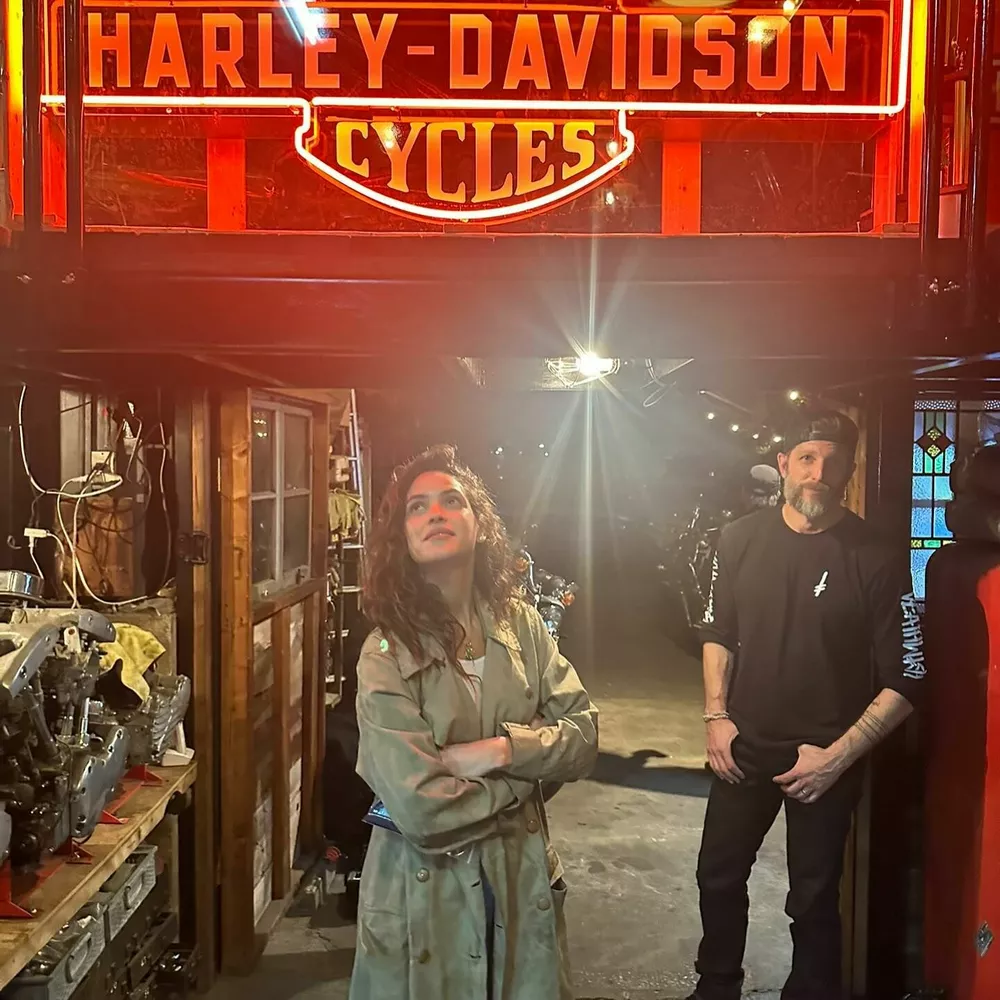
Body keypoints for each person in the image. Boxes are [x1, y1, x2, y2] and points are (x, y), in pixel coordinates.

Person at [688, 409, 925, 1000]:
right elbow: (718, 632)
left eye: (832, 463)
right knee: (717, 876)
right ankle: (717, 985)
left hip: (825, 756)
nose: (818, 474)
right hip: (743, 745)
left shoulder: (876, 555)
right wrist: (716, 718)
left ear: (849, 471)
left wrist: (837, 758)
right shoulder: (738, 539)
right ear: (783, 465)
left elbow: (909, 677)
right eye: (806, 459)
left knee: (814, 898)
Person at [349, 444, 599, 1000]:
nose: (435, 513)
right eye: (417, 507)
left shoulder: (523, 626)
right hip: (425, 890)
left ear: (480, 525)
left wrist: (499, 752)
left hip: (519, 875)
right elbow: (421, 809)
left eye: (451, 500)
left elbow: (584, 736)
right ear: (403, 540)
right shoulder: (385, 653)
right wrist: (529, 772)